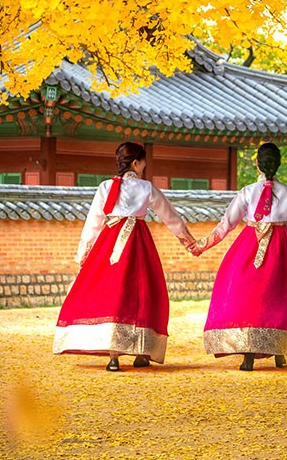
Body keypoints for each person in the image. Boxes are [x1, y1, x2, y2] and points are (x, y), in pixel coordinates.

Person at [53, 142, 195, 371]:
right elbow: (169, 215)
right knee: (142, 292)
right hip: (138, 243)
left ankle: (113, 355)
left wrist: (84, 252)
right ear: (136, 163)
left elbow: (93, 222)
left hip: (109, 242)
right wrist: (186, 239)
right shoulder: (146, 187)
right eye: (144, 161)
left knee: (111, 291)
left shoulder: (105, 187)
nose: (145, 165)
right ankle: (141, 352)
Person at [189, 142, 287, 370]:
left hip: (250, 244)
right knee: (279, 298)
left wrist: (202, 245)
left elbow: (227, 223)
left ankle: (248, 354)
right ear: (278, 164)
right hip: (280, 247)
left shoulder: (248, 192)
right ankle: (279, 351)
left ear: (257, 164)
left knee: (248, 296)